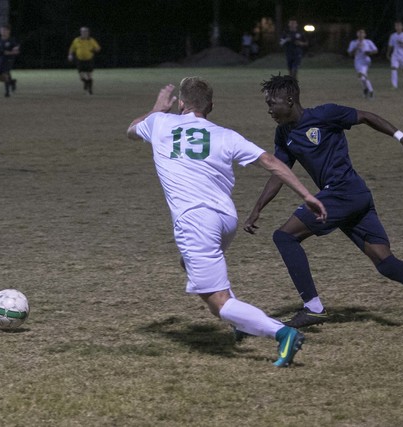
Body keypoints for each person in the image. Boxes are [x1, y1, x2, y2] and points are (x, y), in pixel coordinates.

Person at [243, 74, 403, 334]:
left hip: (344, 192)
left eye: (273, 103)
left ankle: (313, 307)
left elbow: (366, 116)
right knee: (385, 263)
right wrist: (257, 208)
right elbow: (280, 172)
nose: (269, 110)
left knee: (284, 237)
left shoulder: (325, 114)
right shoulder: (284, 133)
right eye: (267, 105)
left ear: (290, 99)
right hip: (352, 196)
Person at [126, 77, 329, 367]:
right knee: (189, 263)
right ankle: (243, 323)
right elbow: (271, 162)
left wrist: (158, 107)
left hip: (195, 221)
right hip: (226, 219)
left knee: (217, 302)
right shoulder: (226, 135)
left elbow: (131, 130)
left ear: (181, 104)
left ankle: (282, 333)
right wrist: (307, 194)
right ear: (211, 106)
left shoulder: (160, 122)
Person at [68, 27, 101, 95]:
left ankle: (90, 90)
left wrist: (95, 50)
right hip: (80, 60)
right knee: (81, 76)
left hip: (89, 60)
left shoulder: (91, 40)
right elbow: (72, 48)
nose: (85, 33)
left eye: (86, 32)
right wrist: (70, 55)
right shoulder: (76, 40)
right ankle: (86, 83)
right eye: (83, 32)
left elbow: (98, 48)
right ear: (81, 33)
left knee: (89, 75)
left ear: (88, 33)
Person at [347, 29, 378, 98]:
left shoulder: (368, 42)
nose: (361, 35)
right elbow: (350, 53)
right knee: (362, 78)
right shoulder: (354, 42)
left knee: (362, 74)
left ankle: (371, 91)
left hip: (366, 60)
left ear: (365, 35)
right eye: (359, 33)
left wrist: (369, 52)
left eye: (362, 33)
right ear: (357, 34)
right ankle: (365, 89)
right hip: (357, 61)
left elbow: (375, 50)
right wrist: (356, 47)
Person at [0, 24, 20, 98]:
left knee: (5, 73)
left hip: (9, 59)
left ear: (8, 31)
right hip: (1, 59)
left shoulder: (12, 40)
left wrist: (10, 52)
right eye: (2, 30)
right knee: (0, 78)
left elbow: (17, 52)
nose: (3, 32)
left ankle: (7, 92)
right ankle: (12, 82)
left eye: (5, 30)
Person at [386, 21, 403, 89]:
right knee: (394, 68)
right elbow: (390, 46)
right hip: (395, 54)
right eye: (396, 26)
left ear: (402, 27)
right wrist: (388, 53)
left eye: (399, 26)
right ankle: (394, 85)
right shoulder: (393, 36)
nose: (397, 27)